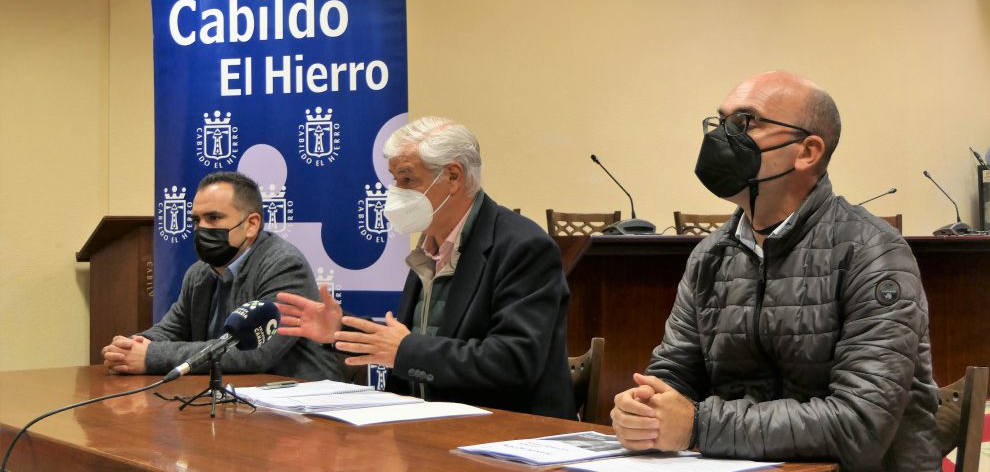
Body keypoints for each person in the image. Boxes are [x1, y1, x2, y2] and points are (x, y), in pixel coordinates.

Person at [610, 71, 939, 470]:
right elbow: (673, 374)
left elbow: (859, 424)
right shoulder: (709, 256)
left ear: (807, 152)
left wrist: (698, 425)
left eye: (744, 122)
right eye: (720, 122)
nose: (720, 138)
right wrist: (644, 410)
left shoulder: (874, 253)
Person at [275, 116, 575, 418]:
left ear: (453, 177)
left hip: (508, 431)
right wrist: (340, 330)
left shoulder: (523, 246)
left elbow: (514, 361)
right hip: (428, 424)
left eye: (407, 179)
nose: (395, 191)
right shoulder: (430, 244)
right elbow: (421, 339)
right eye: (394, 179)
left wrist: (405, 350)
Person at [102, 171, 342, 382]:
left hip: (299, 409)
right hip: (236, 402)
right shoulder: (200, 272)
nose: (201, 228)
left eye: (213, 218)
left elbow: (254, 353)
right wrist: (130, 347)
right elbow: (171, 329)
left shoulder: (283, 265)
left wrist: (151, 356)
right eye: (196, 220)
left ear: (251, 224)